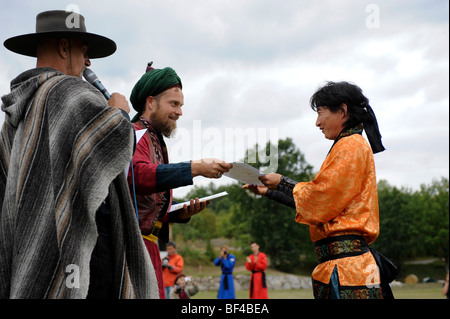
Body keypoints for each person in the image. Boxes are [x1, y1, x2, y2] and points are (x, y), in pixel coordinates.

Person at [0, 10, 158, 298]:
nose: (88, 62)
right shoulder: (69, 92)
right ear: (64, 47)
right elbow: (117, 143)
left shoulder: (17, 113)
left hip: (35, 253)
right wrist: (120, 112)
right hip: (87, 252)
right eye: (84, 52)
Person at [244, 81, 397, 299]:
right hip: (346, 266)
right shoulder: (348, 144)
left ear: (342, 111)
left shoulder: (351, 144)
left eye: (320, 113)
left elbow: (320, 197)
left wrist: (283, 182)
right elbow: (320, 204)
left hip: (349, 270)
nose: (317, 123)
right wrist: (269, 191)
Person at [128, 63, 233, 298]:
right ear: (151, 102)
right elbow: (137, 176)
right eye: (174, 104)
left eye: (181, 105)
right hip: (132, 249)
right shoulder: (135, 133)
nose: (179, 112)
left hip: (149, 248)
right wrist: (194, 168)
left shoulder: (155, 140)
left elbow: (148, 205)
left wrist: (179, 214)